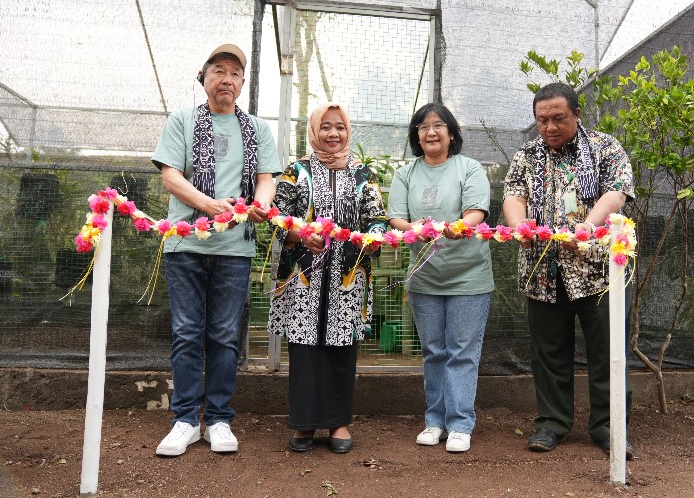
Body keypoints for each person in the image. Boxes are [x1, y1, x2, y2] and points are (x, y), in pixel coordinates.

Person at [151, 44, 282, 456]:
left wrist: (260, 204)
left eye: (235, 73)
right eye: (219, 70)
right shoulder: (182, 121)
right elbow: (170, 176)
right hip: (186, 243)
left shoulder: (257, 128)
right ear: (203, 77)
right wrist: (207, 205)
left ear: (242, 84)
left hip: (233, 248)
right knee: (186, 332)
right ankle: (186, 420)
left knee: (225, 336)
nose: (227, 79)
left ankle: (220, 418)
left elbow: (266, 178)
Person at [502, 82, 635, 459]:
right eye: (542, 120)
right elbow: (514, 195)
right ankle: (551, 424)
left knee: (608, 353)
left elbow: (617, 193)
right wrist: (519, 226)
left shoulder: (605, 148)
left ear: (577, 114)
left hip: (598, 272)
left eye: (558, 118)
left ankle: (610, 427)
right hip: (543, 272)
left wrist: (587, 227)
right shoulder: (527, 154)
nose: (550, 127)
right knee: (548, 354)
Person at [268, 102, 387, 454]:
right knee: (304, 347)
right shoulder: (296, 171)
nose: (333, 134)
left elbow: (376, 217)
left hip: (348, 276)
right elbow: (278, 215)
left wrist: (372, 236)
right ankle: (304, 424)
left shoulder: (365, 175)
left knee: (342, 348)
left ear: (348, 131)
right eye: (325, 127)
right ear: (314, 131)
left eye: (340, 127)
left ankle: (338, 423)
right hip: (304, 274)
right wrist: (299, 234)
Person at [387, 103, 494, 453]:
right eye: (423, 126)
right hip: (425, 277)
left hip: (469, 277)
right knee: (433, 351)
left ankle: (461, 424)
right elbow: (397, 219)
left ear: (451, 132)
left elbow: (476, 212)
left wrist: (461, 226)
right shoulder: (406, 174)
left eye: (438, 125)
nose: (430, 132)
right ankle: (435, 421)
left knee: (462, 352)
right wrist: (413, 228)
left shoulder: (469, 168)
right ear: (416, 135)